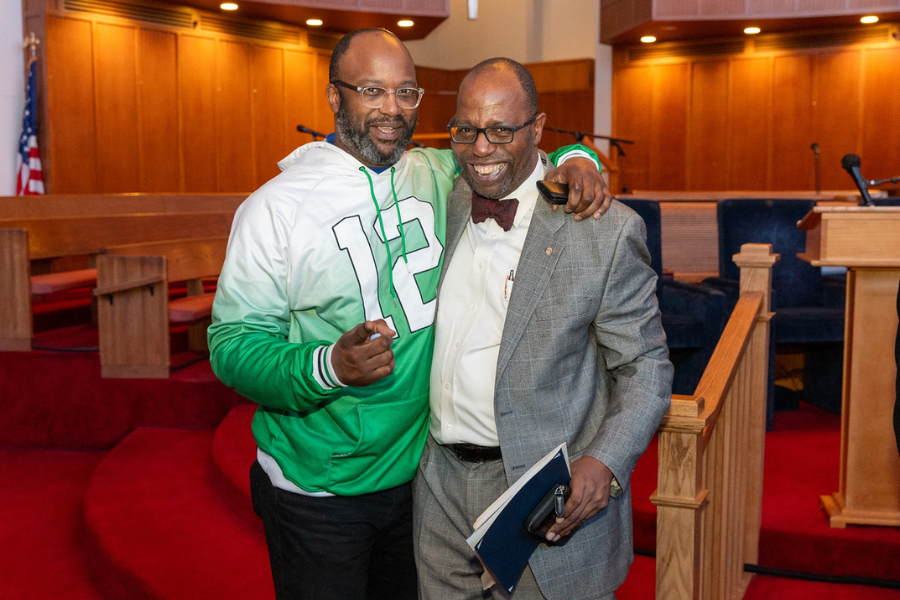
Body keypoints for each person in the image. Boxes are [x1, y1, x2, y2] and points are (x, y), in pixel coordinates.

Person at [208, 29, 612, 600]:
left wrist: (580, 156)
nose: (392, 109)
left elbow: (510, 154)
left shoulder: (434, 170)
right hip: (320, 491)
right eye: (372, 91)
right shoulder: (275, 208)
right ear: (332, 96)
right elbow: (231, 344)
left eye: (407, 92)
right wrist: (328, 366)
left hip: (420, 482)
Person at [413, 58, 673, 600]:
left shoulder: (602, 230)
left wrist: (605, 460)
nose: (481, 148)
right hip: (438, 482)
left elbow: (646, 366)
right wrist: (578, 154)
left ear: (537, 128)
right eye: (467, 130)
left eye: (502, 130)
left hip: (543, 495)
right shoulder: (443, 200)